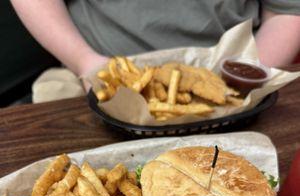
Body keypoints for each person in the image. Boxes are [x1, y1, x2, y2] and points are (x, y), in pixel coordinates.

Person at [10, 0, 300, 99]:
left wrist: (244, 75)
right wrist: (85, 62)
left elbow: (288, 11)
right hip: (92, 72)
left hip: (233, 75)